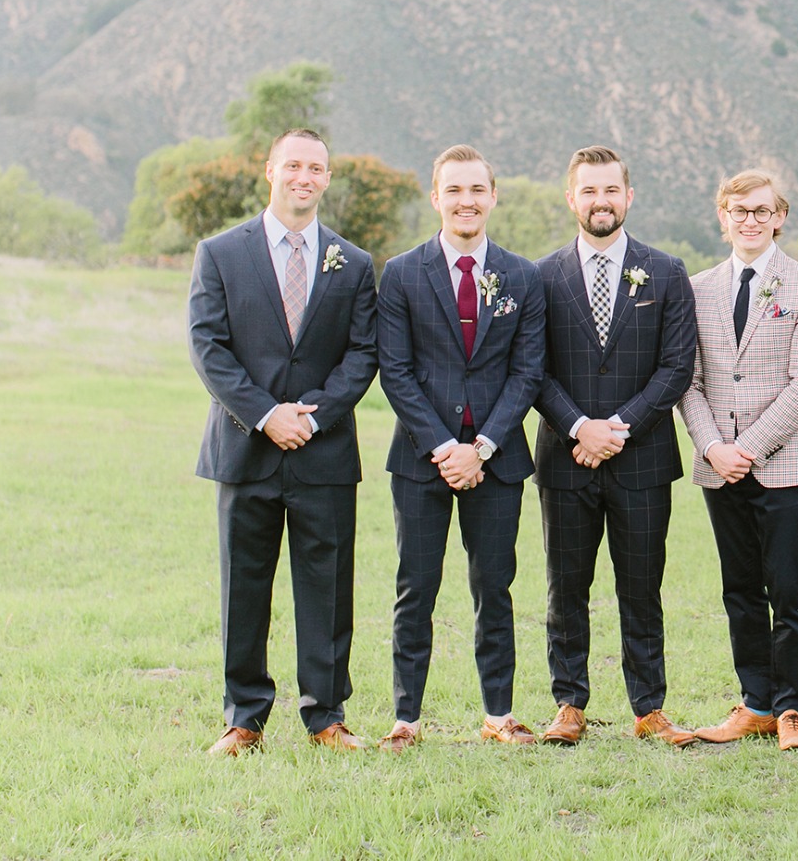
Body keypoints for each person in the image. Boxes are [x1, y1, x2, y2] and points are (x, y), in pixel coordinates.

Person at [188, 128, 378, 754]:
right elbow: (208, 347)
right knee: (245, 587)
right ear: (269, 170)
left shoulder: (353, 263)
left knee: (327, 588)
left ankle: (326, 716)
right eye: (293, 164)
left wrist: (312, 417)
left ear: (327, 177)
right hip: (247, 449)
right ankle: (244, 718)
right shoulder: (219, 253)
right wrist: (267, 415)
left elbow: (362, 354)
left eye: (316, 167)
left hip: (322, 452)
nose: (304, 176)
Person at [375, 145, 547, 750]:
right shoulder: (400, 273)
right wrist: (446, 447)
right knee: (414, 588)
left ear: (493, 196)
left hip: (497, 465)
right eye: (454, 190)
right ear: (436, 198)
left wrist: (485, 446)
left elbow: (528, 373)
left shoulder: (523, 276)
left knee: (493, 586)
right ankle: (406, 719)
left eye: (477, 190)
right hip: (421, 462)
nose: (466, 201)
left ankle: (498, 714)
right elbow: (394, 371)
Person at [533, 145, 698, 747]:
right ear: (571, 197)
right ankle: (569, 703)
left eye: (611, 190)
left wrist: (616, 428)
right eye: (589, 191)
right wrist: (581, 428)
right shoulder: (542, 276)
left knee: (642, 588)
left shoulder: (667, 271)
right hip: (564, 458)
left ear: (629, 196)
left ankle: (649, 707)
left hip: (644, 460)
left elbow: (676, 367)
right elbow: (533, 368)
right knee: (564, 587)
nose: (600, 201)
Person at [678, 170, 798, 752]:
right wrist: (716, 448)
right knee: (739, 590)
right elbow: (686, 382)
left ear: (779, 216)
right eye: (738, 210)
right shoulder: (695, 289)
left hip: (785, 464)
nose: (749, 219)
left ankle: (794, 707)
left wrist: (749, 449)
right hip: (718, 465)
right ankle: (755, 703)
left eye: (760, 210)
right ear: (722, 217)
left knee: (788, 591)